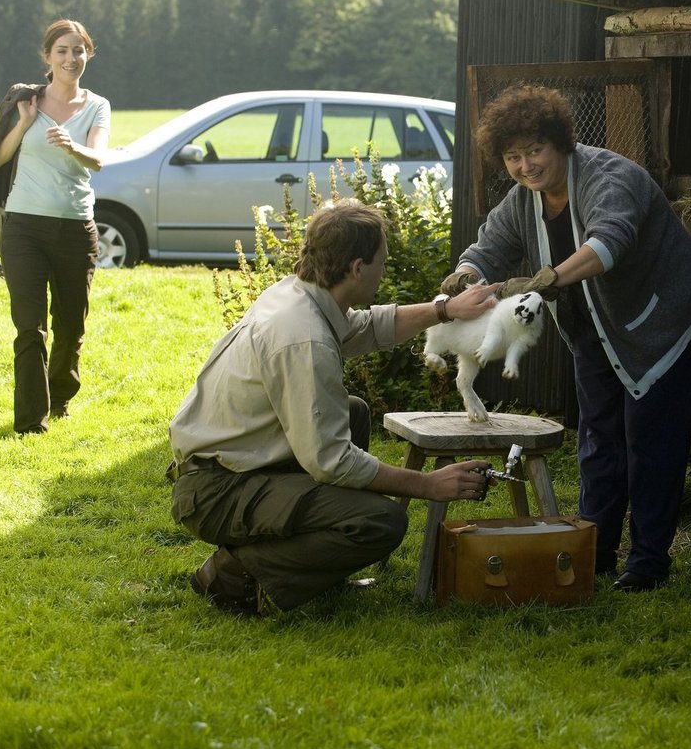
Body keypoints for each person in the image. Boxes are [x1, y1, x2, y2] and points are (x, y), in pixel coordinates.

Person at [440, 85, 691, 593]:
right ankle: (596, 550)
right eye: (513, 156)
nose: (526, 166)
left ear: (561, 142)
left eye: (535, 150)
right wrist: (465, 275)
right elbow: (490, 246)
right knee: (598, 441)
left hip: (662, 319)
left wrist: (546, 280)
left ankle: (648, 564)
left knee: (650, 444)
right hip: (595, 327)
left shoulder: (611, 177)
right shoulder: (524, 199)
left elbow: (609, 243)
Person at [169, 199, 500, 615]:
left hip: (233, 466)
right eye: (381, 261)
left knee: (353, 410)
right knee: (381, 522)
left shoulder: (297, 295)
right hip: (215, 490)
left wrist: (445, 310)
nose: (384, 269)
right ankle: (233, 574)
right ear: (358, 268)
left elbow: (364, 327)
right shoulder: (302, 336)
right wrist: (428, 485)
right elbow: (332, 462)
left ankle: (318, 569)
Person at [0, 19, 110, 434]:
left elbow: (99, 158)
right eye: (63, 51)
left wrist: (74, 146)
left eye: (78, 50)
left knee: (71, 323)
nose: (71, 58)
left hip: (74, 227)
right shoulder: (26, 102)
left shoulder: (96, 105)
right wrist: (23, 122)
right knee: (30, 325)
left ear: (87, 54)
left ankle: (60, 395)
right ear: (48, 57)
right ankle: (32, 419)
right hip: (24, 227)